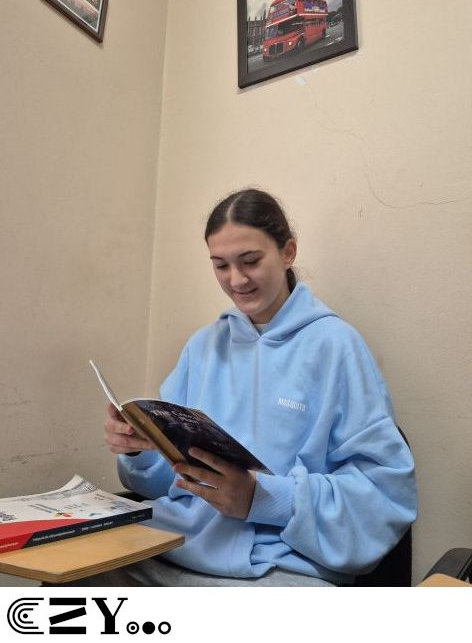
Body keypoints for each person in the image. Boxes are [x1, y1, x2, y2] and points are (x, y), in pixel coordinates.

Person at [95, 188, 417, 586]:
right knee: (74, 582)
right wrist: (139, 450)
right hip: (178, 545)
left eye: (250, 261)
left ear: (288, 252)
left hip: (278, 564)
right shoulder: (204, 346)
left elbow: (384, 497)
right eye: (221, 266)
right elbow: (167, 481)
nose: (236, 279)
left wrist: (263, 499)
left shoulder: (335, 347)